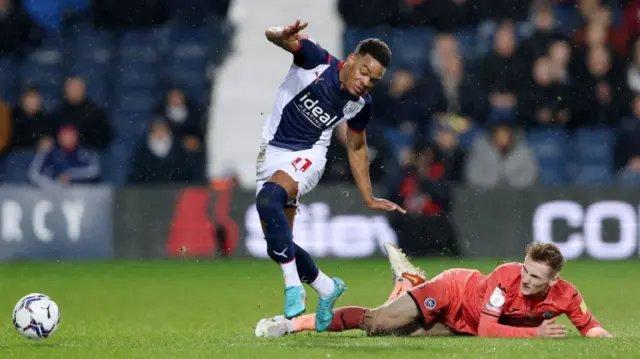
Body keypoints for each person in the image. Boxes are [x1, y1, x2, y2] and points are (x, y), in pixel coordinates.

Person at [255, 19, 405, 332]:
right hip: (270, 153)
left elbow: (356, 145)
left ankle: (293, 287)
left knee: (269, 200)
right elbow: (275, 37)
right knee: (277, 244)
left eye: (374, 80)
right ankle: (326, 287)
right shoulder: (316, 60)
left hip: (308, 157)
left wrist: (368, 196)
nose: (366, 81)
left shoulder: (360, 104)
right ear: (351, 59)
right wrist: (279, 34)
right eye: (364, 71)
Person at [255, 242, 612, 338]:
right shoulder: (507, 276)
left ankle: (405, 283)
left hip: (461, 325)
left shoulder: (567, 295)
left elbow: (589, 326)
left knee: (388, 335)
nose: (527, 280)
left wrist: (603, 338)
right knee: (377, 323)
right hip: (452, 291)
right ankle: (291, 325)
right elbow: (489, 330)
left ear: (553, 281)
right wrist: (537, 335)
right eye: (526, 271)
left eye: (536, 278)